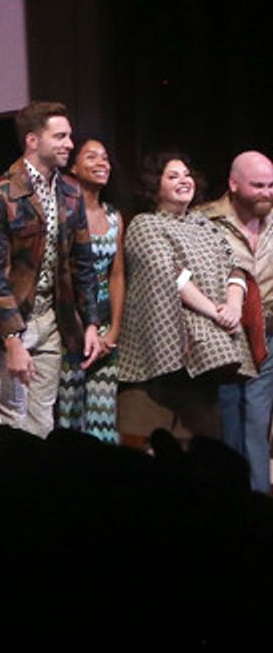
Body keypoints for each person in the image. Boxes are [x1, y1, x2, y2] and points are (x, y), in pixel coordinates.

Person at [0, 100, 98, 438]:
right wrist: (12, 339)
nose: (69, 144)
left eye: (69, 136)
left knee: (43, 421)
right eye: (59, 136)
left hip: (50, 319)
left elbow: (82, 262)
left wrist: (90, 321)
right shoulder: (0, 193)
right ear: (32, 140)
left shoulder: (70, 191)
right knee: (12, 423)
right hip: (14, 319)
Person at [116, 151, 254, 444]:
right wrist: (216, 312)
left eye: (187, 175)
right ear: (155, 186)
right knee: (149, 442)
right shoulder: (145, 224)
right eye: (173, 176)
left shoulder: (206, 225)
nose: (183, 181)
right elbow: (169, 273)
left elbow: (234, 267)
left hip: (207, 352)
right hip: (163, 355)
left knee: (201, 444)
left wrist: (233, 305)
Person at [202, 151, 273, 490]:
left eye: (271, 185)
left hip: (267, 335)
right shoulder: (206, 220)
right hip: (224, 335)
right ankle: (228, 496)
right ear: (233, 184)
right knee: (227, 417)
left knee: (258, 422)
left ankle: (257, 498)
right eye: (258, 185)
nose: (267, 192)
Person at [55, 136, 125, 445]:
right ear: (73, 167)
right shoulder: (63, 212)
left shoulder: (113, 216)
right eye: (92, 156)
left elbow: (117, 275)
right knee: (68, 417)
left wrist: (114, 330)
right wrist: (82, 327)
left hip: (105, 326)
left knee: (103, 419)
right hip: (71, 326)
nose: (101, 163)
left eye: (105, 157)